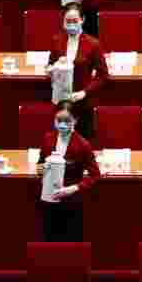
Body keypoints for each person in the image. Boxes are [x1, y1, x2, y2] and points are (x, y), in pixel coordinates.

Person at [39, 100, 102, 243]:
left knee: (69, 241)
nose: (62, 125)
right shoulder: (48, 139)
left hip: (71, 202)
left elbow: (95, 175)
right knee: (49, 238)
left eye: (67, 121)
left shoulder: (83, 144)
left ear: (76, 120)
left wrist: (73, 188)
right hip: (49, 199)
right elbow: (40, 163)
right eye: (58, 120)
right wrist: (40, 169)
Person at [47, 3, 109, 140]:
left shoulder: (93, 44)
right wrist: (51, 70)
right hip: (60, 102)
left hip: (82, 103)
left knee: (81, 145)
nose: (71, 25)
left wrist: (84, 92)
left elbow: (103, 75)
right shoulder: (56, 40)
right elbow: (50, 65)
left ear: (82, 20)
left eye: (75, 21)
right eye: (67, 21)